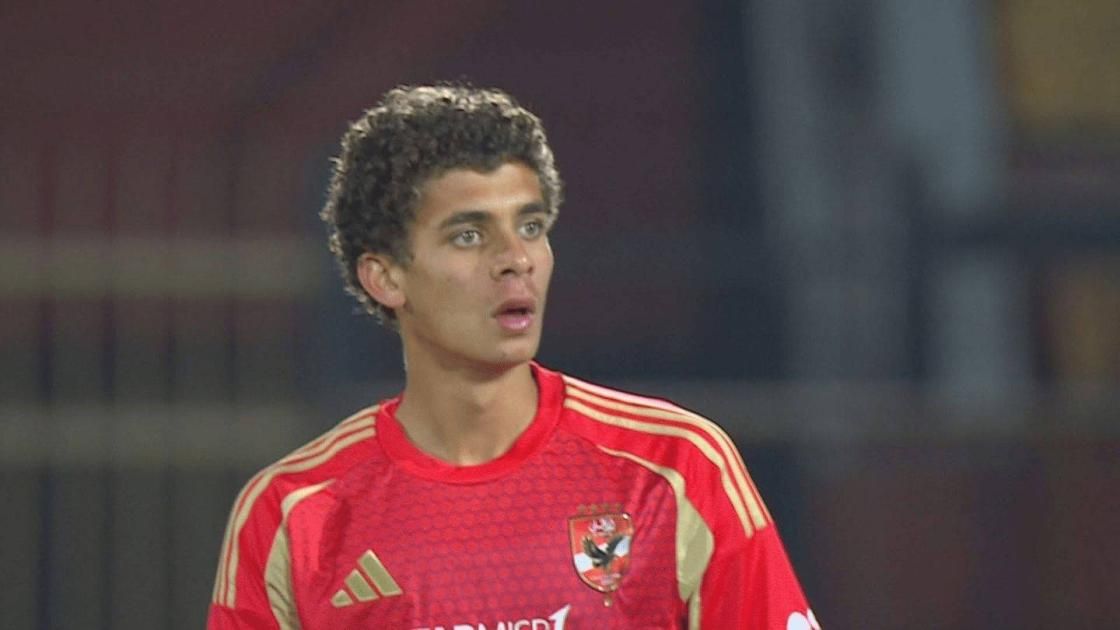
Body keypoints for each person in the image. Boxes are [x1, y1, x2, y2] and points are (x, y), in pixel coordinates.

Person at [207, 84, 818, 629]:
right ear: (386, 277)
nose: (515, 260)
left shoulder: (674, 468)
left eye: (529, 227)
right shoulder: (296, 513)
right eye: (469, 235)